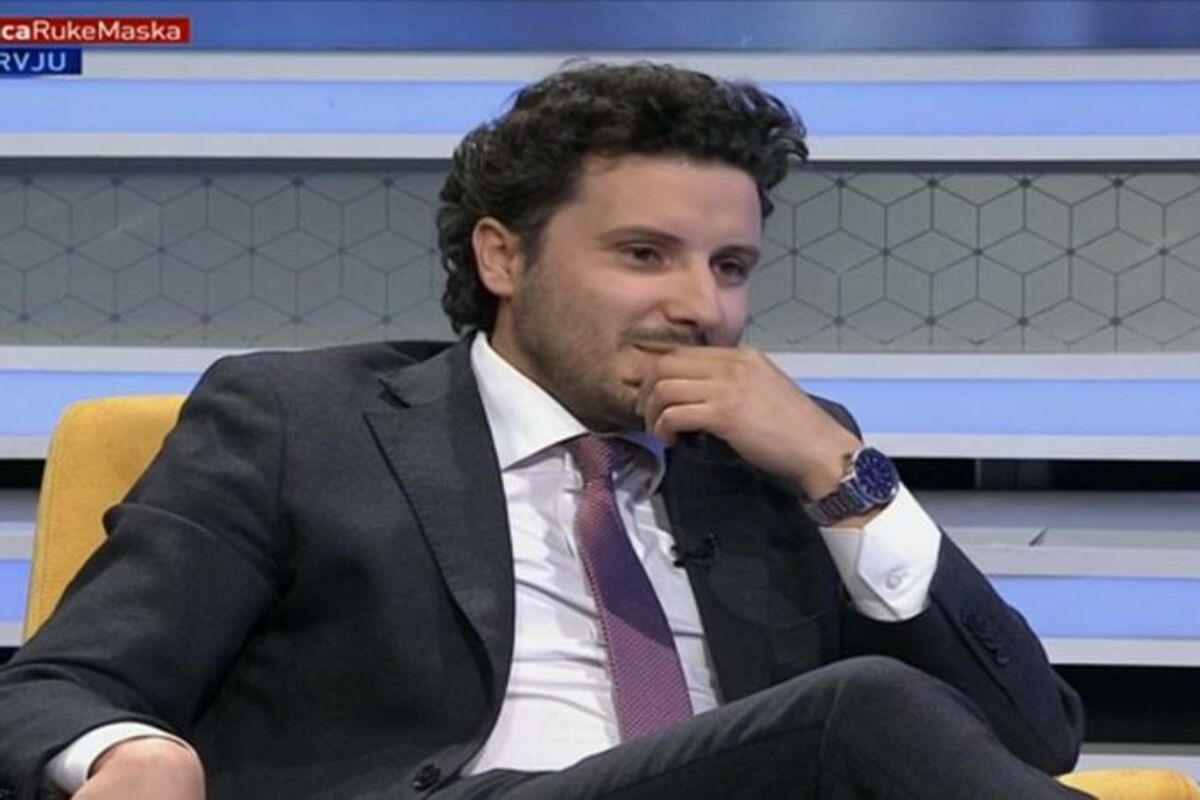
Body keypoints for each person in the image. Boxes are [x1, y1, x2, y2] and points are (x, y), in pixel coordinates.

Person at [0, 62, 1086, 800]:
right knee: (859, 710)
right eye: (644, 254)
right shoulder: (301, 421)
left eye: (731, 266)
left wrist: (842, 474)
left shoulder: (785, 457)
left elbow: (1033, 739)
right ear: (502, 256)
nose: (701, 307)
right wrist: (129, 753)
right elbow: (53, 687)